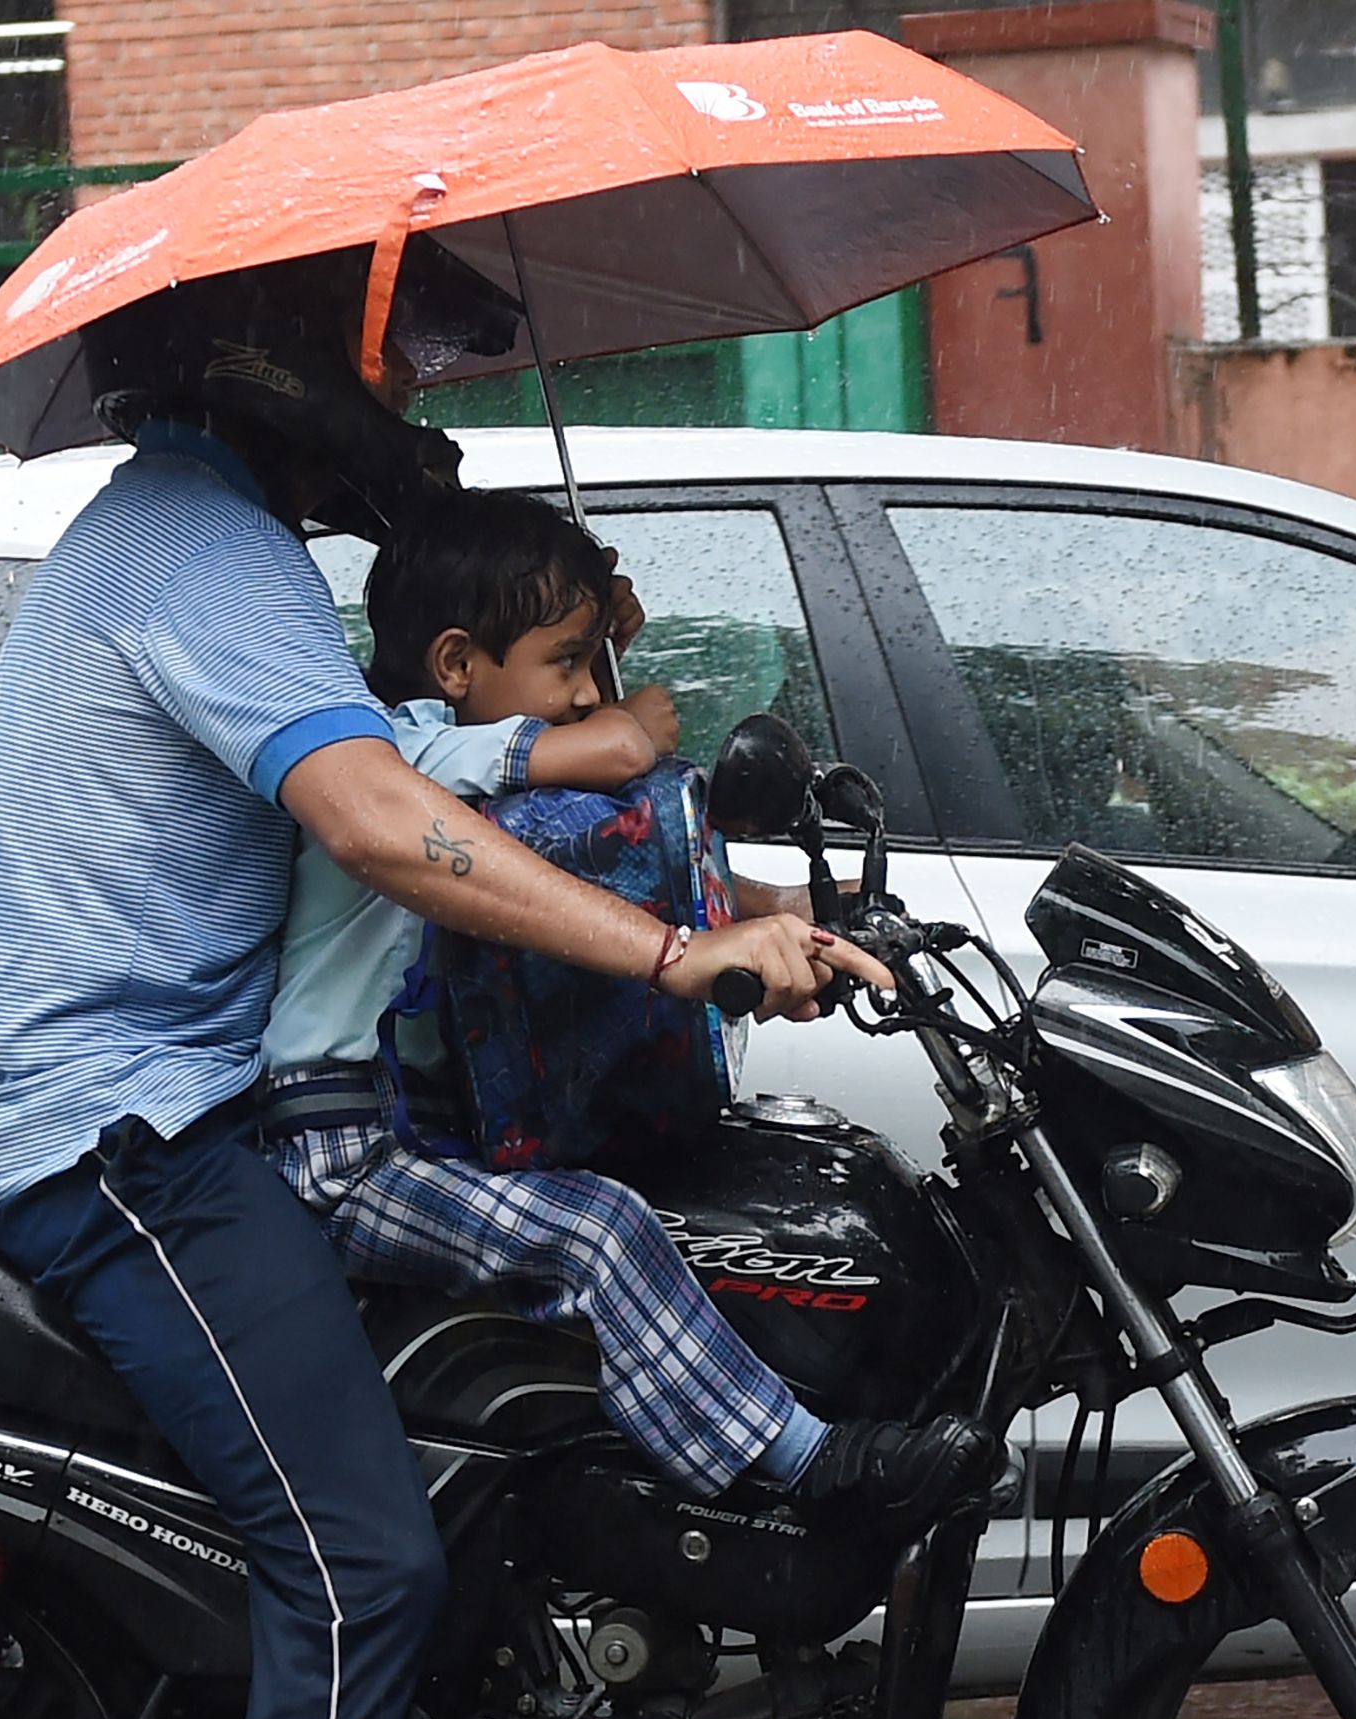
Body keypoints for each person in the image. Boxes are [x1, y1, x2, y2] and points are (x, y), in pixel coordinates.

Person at [0, 248, 979, 1719]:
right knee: (358, 1566)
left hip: (203, 1110)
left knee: (481, 1491)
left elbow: (447, 808)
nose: (419, 405)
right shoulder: (192, 548)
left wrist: (725, 886)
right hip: (121, 1132)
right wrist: (680, 953)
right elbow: (382, 816)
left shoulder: (219, 547)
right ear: (269, 369)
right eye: (391, 356)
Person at [264, 486, 977, 1509]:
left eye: (590, 663)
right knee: (597, 1232)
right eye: (564, 663)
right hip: (343, 1149)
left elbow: (605, 874)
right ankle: (799, 1463)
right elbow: (620, 756)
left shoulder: (476, 770)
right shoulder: (404, 753)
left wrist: (790, 907)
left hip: (434, 1128)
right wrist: (629, 705)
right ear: (458, 664)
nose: (589, 691)